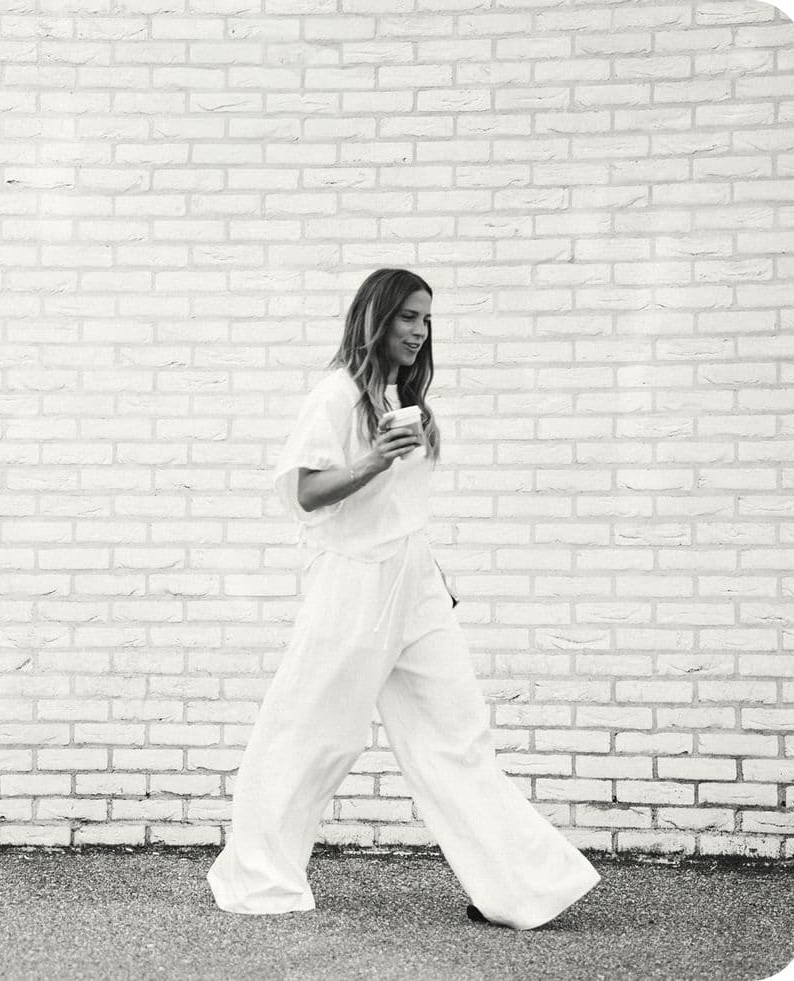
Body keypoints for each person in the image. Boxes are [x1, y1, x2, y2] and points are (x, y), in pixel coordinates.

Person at [207, 268, 599, 929]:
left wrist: (431, 573)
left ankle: (519, 888)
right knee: (312, 731)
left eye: (427, 319)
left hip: (413, 582)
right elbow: (303, 491)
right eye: (409, 317)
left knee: (457, 733)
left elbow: (401, 506)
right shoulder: (335, 394)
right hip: (354, 582)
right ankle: (261, 874)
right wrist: (374, 459)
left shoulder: (399, 392)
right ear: (376, 319)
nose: (420, 331)